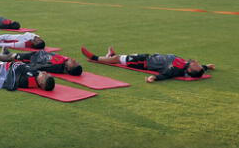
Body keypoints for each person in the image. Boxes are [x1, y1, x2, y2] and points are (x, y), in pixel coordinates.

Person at [81, 46, 215, 82]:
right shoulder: (188, 66)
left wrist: (154, 78)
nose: (196, 62)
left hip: (144, 62)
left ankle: (95, 58)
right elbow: (200, 69)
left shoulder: (176, 70)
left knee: (118, 59)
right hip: (149, 57)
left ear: (191, 71)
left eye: (196, 65)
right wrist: (206, 67)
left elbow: (165, 75)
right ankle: (109, 56)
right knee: (122, 57)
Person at [0, 45, 82, 76]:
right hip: (37, 54)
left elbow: (41, 66)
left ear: (69, 68)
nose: (73, 59)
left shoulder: (57, 67)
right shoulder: (64, 61)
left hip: (32, 59)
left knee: (12, 57)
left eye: (73, 62)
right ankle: (6, 53)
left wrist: (29, 63)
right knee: (14, 55)